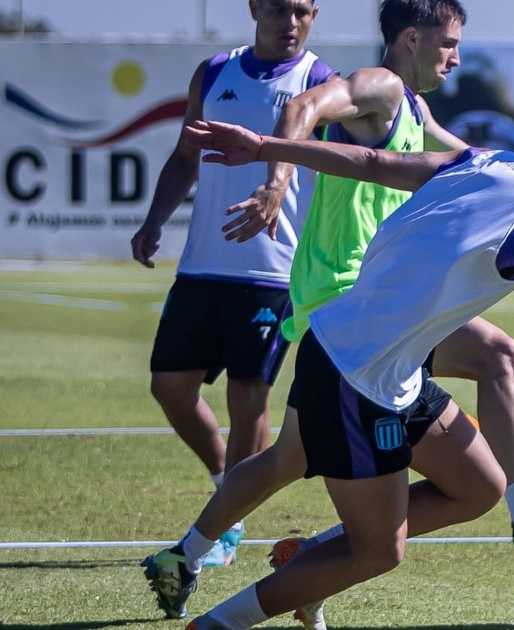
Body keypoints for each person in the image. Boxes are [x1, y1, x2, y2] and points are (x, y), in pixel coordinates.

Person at [149, 87, 514, 630]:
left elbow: (370, 162)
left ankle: (296, 562)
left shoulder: (481, 160)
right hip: (359, 375)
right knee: (378, 551)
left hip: (357, 350)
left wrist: (264, 146)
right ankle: (217, 624)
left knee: (478, 485)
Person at [221, 0, 514, 572]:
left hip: (372, 290)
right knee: (497, 357)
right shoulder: (382, 86)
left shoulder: (414, 108)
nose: (456, 57)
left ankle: (191, 551)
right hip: (349, 291)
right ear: (411, 39)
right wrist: (276, 181)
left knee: (288, 457)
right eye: (448, 42)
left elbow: (471, 161)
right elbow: (304, 106)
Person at [130, 0, 335, 584]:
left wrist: (280, 190)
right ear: (253, 7)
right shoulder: (215, 72)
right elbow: (184, 157)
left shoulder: (322, 82)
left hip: (273, 270)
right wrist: (154, 220)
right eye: (278, 9)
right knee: (169, 386)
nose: (290, 22)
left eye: (302, 10)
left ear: (315, 13)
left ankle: (226, 527)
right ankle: (230, 482)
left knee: (249, 397)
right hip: (201, 266)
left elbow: (334, 163)